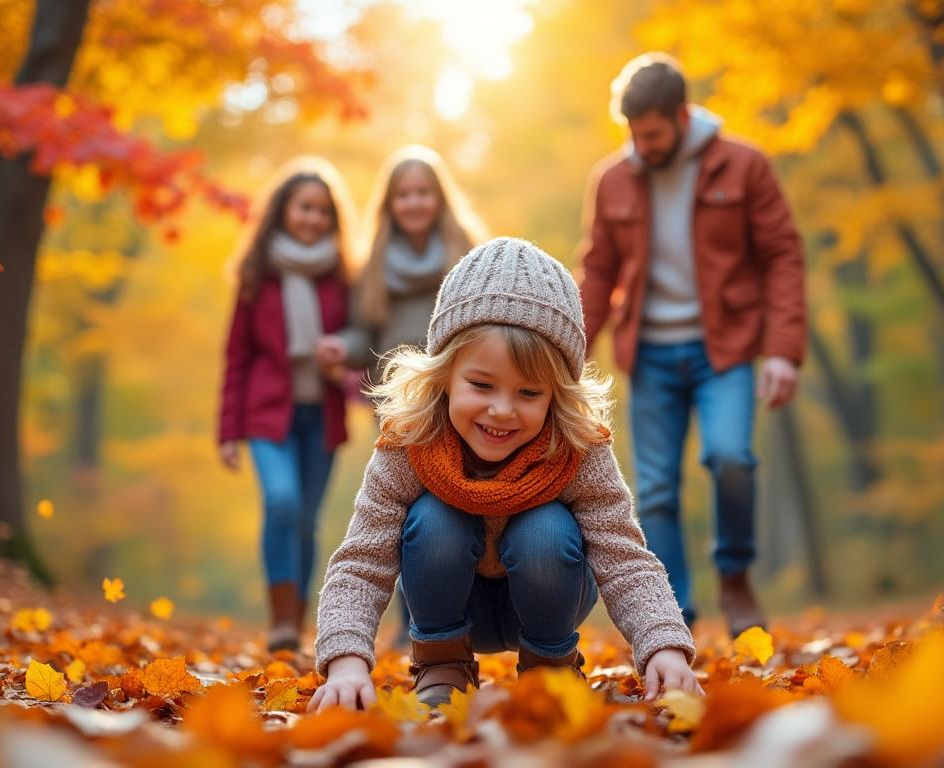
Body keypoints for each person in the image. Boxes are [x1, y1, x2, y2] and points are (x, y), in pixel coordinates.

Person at [308, 237, 700, 711]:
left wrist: (664, 644)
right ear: (444, 375)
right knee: (434, 517)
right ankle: (442, 664)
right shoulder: (410, 442)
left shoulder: (576, 447)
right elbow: (362, 560)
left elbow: (623, 556)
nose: (501, 410)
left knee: (545, 528)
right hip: (450, 603)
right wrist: (346, 660)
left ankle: (549, 669)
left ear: (557, 394)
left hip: (545, 597)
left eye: (529, 393)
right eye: (481, 384)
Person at [577, 53, 806, 636]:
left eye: (651, 134)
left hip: (722, 348)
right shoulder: (612, 179)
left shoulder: (743, 165)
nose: (641, 146)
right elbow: (599, 272)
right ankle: (673, 613)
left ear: (680, 116)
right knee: (653, 488)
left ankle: (735, 577)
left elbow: (782, 255)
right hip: (649, 353)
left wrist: (782, 350)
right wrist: (568, 352)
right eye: (632, 134)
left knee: (731, 456)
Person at [315, 147, 487, 647]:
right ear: (390, 204)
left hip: (462, 398)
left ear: (439, 197)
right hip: (399, 403)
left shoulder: (466, 251)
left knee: (456, 499)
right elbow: (361, 332)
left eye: (422, 193)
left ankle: (460, 611)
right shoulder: (373, 265)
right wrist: (339, 348)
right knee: (405, 507)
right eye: (403, 195)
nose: (413, 203)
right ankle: (411, 617)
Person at [217, 158, 356, 653]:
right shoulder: (258, 276)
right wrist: (227, 431)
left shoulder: (343, 277)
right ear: (283, 211)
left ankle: (294, 624)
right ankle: (281, 620)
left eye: (322, 210)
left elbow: (361, 336)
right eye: (304, 208)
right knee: (282, 503)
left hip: (322, 416)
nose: (313, 218)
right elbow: (236, 355)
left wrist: (344, 351)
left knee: (308, 520)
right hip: (267, 415)